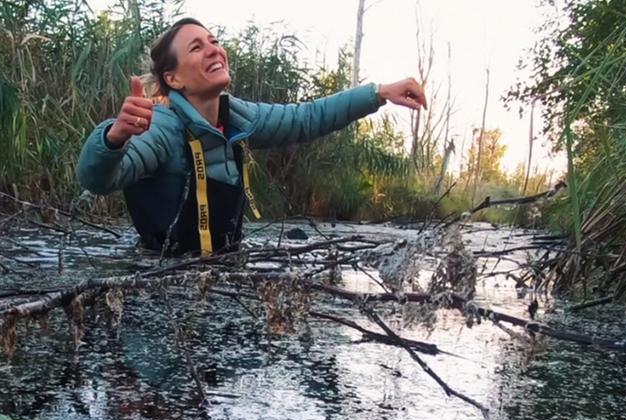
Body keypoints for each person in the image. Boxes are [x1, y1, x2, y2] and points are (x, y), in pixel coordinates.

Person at [76, 17, 426, 256]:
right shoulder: (161, 128)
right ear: (174, 79)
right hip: (158, 281)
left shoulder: (241, 117)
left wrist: (378, 93)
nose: (214, 49)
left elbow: (307, 118)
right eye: (197, 48)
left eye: (214, 41)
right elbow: (97, 179)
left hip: (222, 274)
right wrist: (114, 138)